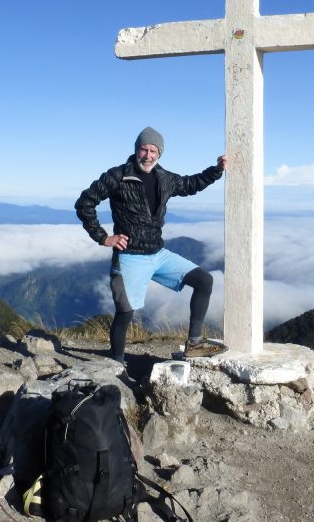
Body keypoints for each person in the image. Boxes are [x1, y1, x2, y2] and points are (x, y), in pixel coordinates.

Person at [75, 127, 229, 362]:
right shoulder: (117, 176)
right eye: (143, 149)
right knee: (125, 313)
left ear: (160, 153)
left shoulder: (164, 178)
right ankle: (117, 364)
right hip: (129, 256)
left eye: (153, 150)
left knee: (204, 281)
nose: (147, 155)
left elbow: (190, 184)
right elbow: (85, 203)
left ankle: (195, 343)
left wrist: (217, 170)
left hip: (158, 253)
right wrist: (103, 237)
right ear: (136, 150)